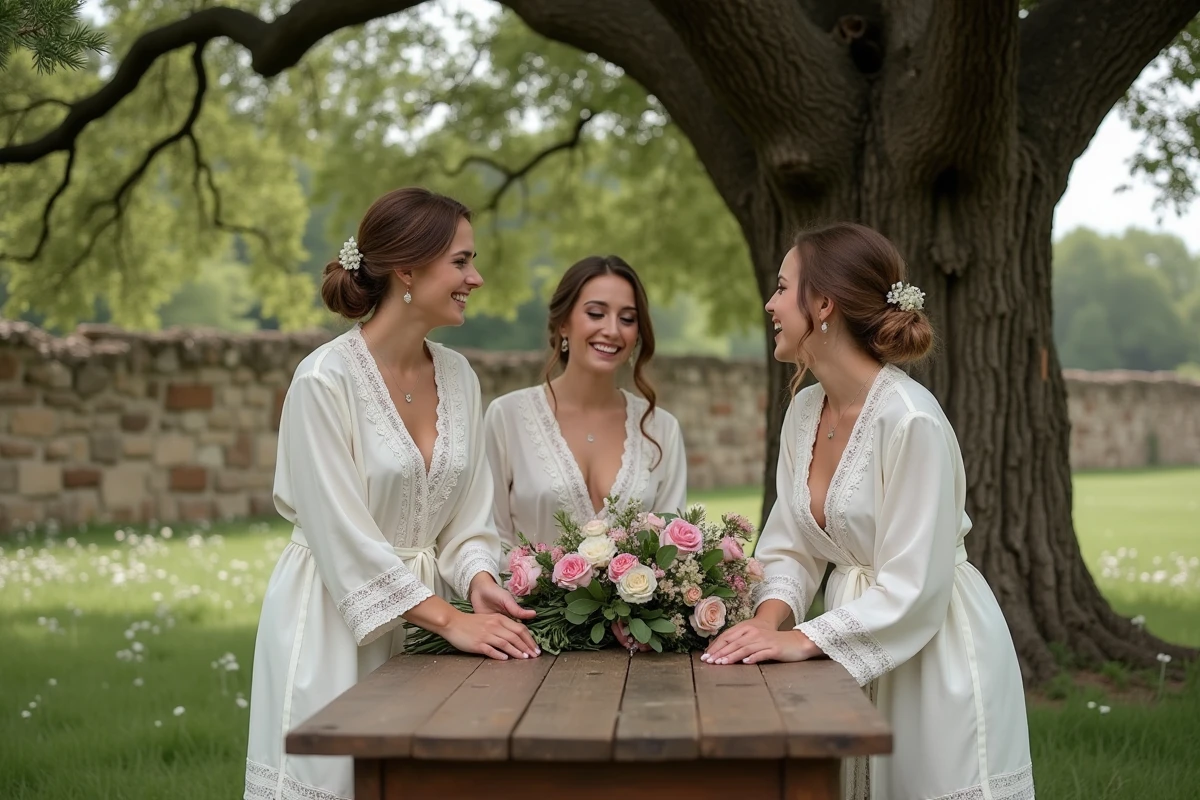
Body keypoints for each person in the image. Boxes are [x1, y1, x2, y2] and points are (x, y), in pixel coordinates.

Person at [702, 223, 1034, 800]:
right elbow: (790, 544)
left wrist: (805, 639)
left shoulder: (910, 420)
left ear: (823, 304)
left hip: (937, 649)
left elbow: (914, 585)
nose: (770, 304)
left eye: (783, 288)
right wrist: (766, 621)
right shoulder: (806, 409)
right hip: (851, 635)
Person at [244, 187, 538, 800]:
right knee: (338, 781)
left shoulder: (460, 376)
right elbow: (340, 536)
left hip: (432, 622)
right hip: (332, 620)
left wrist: (479, 582)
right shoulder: (323, 381)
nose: (475, 278)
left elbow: (467, 516)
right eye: (460, 261)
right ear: (407, 267)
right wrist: (452, 621)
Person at [483, 256, 687, 648]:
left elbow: (671, 555)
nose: (612, 330)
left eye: (628, 319)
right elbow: (490, 537)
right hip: (527, 642)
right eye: (596, 313)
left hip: (633, 653)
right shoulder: (506, 417)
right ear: (563, 323)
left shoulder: (662, 429)